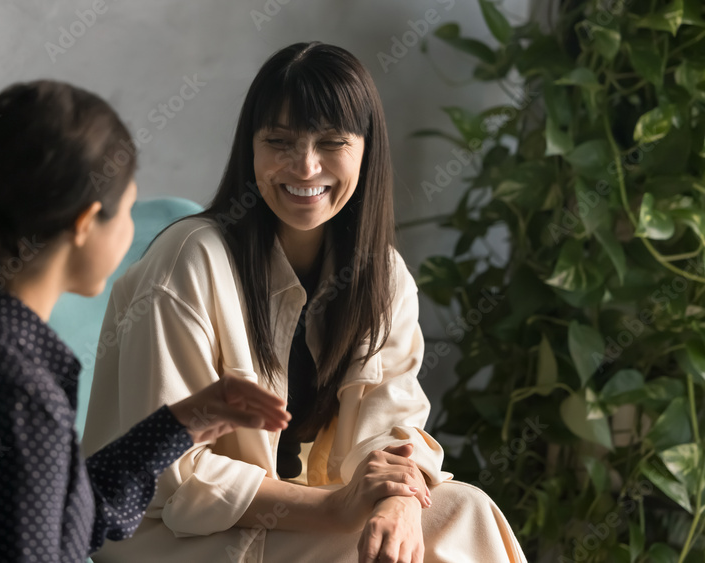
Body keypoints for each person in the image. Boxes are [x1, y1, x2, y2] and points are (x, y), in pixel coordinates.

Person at [82, 42, 528, 562]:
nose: (305, 166)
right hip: (178, 536)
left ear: (366, 149)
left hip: (304, 515)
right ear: (251, 148)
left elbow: (391, 423)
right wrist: (335, 511)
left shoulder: (383, 276)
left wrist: (398, 500)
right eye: (280, 141)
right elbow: (170, 476)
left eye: (332, 141)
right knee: (446, 526)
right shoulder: (189, 262)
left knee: (457, 510)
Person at [0, 79, 295, 562]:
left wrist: (181, 423)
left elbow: (59, 522)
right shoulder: (20, 392)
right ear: (84, 224)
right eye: (125, 213)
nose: (132, 232)